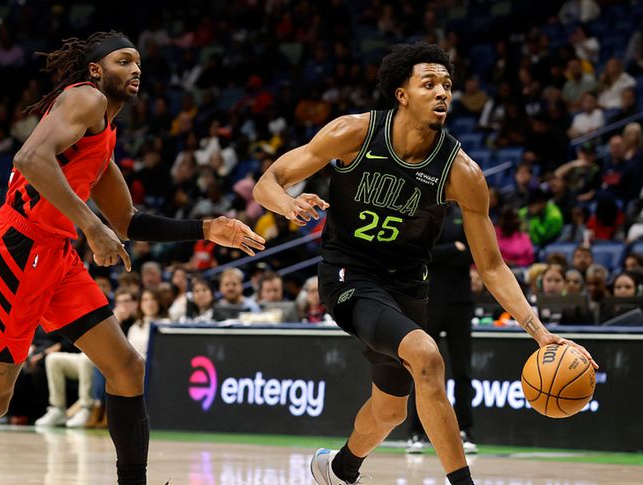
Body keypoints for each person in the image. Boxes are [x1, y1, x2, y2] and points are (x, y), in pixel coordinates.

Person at [253, 42, 597, 485]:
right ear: (401, 94)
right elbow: (268, 182)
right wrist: (288, 204)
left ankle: (338, 469)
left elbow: (492, 267)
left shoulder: (462, 173)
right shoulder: (353, 133)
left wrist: (540, 332)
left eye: (447, 85)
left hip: (407, 290)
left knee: (390, 410)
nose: (442, 93)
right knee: (427, 355)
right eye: (429, 83)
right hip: (348, 274)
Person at [0, 31, 265, 485]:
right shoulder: (86, 97)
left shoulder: (103, 137)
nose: (136, 69)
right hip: (18, 249)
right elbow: (30, 159)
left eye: (138, 62)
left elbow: (127, 221)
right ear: (95, 69)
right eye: (123, 60)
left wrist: (206, 229)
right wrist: (91, 226)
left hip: (57, 256)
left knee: (126, 367)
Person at [406, 203, 478, 455]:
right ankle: (416, 432)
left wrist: (444, 253)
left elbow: (473, 254)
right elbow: (420, 254)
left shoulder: (464, 214)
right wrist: (454, 249)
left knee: (463, 370)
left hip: (461, 303)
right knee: (423, 368)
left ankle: (465, 431)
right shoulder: (424, 214)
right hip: (429, 302)